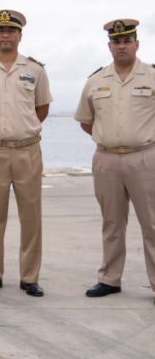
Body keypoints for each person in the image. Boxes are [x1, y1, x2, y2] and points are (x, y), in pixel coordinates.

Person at [0, 10, 52, 297]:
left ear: (19, 35)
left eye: (10, 31)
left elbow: (42, 108)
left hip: (28, 150)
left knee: (31, 216)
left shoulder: (35, 70)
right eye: (0, 30)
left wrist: (21, 130)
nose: (5, 35)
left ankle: (30, 277)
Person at [75, 18, 155, 301]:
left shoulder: (152, 76)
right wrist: (110, 138)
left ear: (136, 44)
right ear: (109, 46)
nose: (121, 46)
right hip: (107, 160)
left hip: (145, 159)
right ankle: (109, 279)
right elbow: (86, 121)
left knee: (152, 223)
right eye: (116, 41)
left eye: (126, 41)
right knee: (111, 222)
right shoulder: (96, 81)